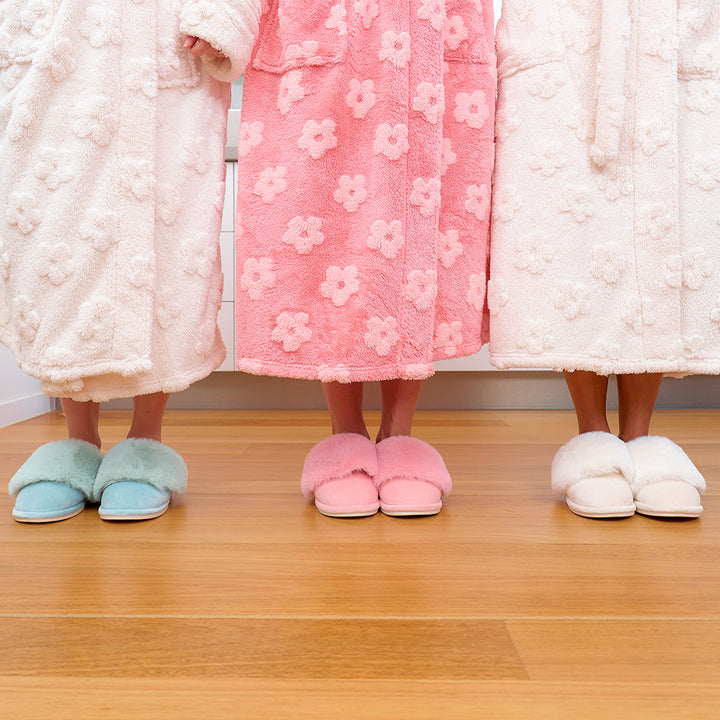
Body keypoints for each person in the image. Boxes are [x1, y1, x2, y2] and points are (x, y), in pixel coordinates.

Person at [1, 0, 261, 522]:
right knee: (61, 250)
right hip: (60, 63)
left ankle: (146, 439)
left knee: (165, 257)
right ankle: (77, 442)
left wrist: (223, 23)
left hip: (167, 62)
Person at [234, 0, 496, 517]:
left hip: (434, 55)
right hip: (327, 68)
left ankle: (400, 436)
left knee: (420, 251)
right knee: (337, 249)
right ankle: (345, 435)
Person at [490, 0, 708, 518]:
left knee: (659, 237)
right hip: (562, 31)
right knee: (575, 241)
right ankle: (592, 434)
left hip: (671, 26)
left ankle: (641, 440)